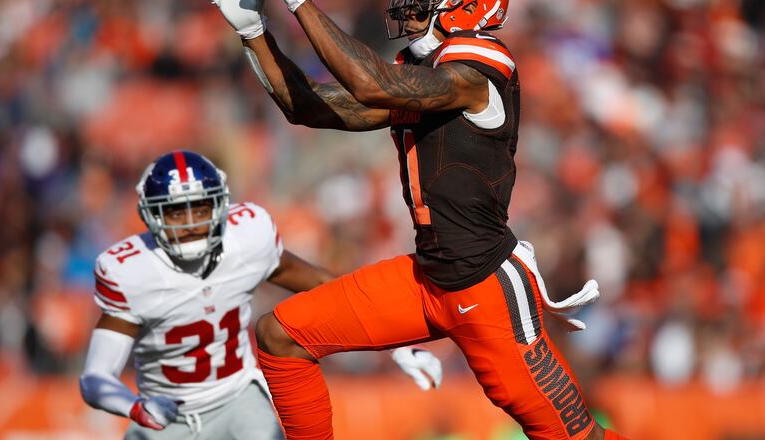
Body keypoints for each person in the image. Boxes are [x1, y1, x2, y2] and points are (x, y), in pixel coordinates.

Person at [213, 0, 628, 439]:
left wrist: (299, 5)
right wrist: (254, 33)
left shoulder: (480, 66)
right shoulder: (428, 72)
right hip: (427, 278)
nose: (406, 8)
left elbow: (372, 85)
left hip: (484, 288)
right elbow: (308, 108)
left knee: (577, 435)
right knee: (282, 335)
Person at [78, 150, 444, 439]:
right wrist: (135, 407)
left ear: (220, 206)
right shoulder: (129, 270)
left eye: (200, 209)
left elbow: (323, 286)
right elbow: (95, 377)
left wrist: (396, 343)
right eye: (175, 213)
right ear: (151, 215)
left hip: (238, 399)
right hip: (165, 410)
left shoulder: (246, 237)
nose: (190, 224)